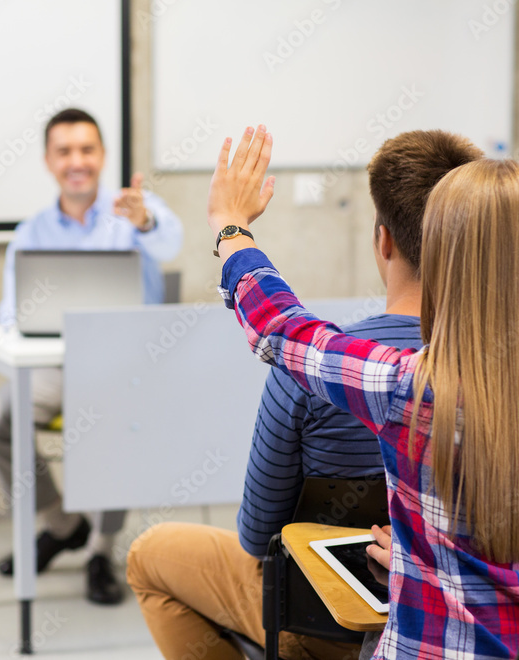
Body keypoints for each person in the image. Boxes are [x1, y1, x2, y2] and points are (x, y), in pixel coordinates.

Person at [207, 126, 519, 660]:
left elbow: (282, 328)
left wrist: (232, 228)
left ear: (446, 258)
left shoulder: (409, 389)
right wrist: (423, 554)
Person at [126, 130, 483, 660]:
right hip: (472, 620)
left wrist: (231, 227)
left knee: (150, 554)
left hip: (324, 626)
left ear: (383, 241)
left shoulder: (351, 372)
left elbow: (258, 536)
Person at [0, 108, 183, 604]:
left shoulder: (134, 212)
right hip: (57, 369)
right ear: (49, 160)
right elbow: (11, 310)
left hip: (125, 373)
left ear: (103, 156)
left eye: (87, 149)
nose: (77, 161)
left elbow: (171, 241)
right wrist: (23, 326)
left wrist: (143, 219)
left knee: (116, 421)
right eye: (65, 151)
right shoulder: (30, 232)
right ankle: (62, 523)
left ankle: (100, 549)